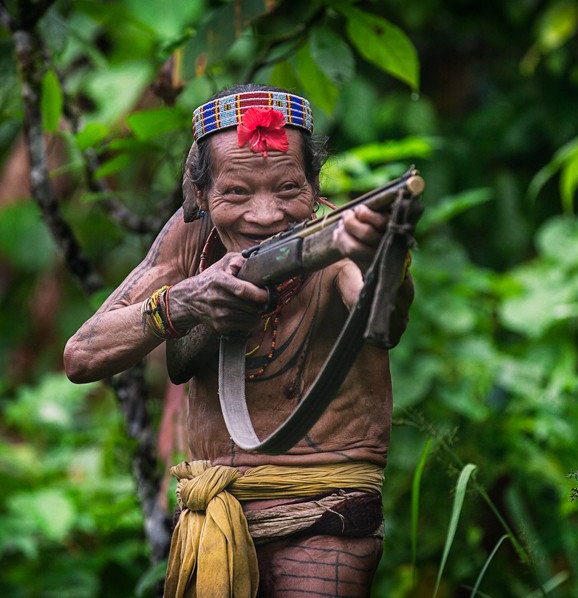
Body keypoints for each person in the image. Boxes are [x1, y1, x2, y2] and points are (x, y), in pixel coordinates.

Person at [64, 84, 415, 597]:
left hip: (326, 510)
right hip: (214, 521)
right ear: (199, 195)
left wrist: (382, 259)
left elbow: (383, 320)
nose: (266, 214)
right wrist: (183, 303)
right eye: (236, 193)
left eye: (289, 190)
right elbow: (81, 355)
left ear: (316, 188)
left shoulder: (338, 239)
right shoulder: (187, 241)